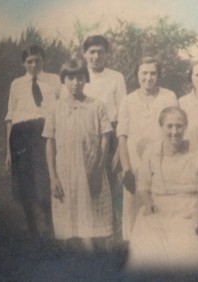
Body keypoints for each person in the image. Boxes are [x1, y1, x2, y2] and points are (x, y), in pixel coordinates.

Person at [127, 107, 198, 271]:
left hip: (188, 209)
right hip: (158, 209)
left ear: (186, 126)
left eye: (179, 126)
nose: (175, 131)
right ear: (161, 127)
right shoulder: (151, 151)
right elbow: (143, 186)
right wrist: (148, 203)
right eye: (169, 126)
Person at [43, 59, 113, 250]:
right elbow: (50, 142)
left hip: (91, 171)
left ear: (86, 79)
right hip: (65, 174)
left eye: (80, 78)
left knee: (94, 231)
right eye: (70, 78)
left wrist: (98, 170)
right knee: (69, 230)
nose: (75, 83)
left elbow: (104, 139)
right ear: (63, 80)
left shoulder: (96, 105)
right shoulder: (56, 107)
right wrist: (53, 177)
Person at [117, 57, 178, 242]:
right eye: (144, 73)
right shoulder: (127, 101)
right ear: (137, 75)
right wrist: (126, 168)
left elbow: (175, 130)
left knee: (161, 204)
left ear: (158, 75)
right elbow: (122, 136)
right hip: (135, 164)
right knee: (133, 207)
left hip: (162, 161)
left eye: (153, 73)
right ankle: (132, 248)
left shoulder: (169, 97)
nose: (148, 77)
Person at [5, 44, 60, 240]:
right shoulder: (16, 84)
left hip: (43, 132)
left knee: (44, 179)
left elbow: (60, 109)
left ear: (44, 60)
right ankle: (32, 230)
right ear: (23, 63)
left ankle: (51, 226)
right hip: (20, 135)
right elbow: (10, 117)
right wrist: (9, 151)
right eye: (29, 61)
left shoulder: (54, 80)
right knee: (24, 182)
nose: (34, 64)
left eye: (37, 60)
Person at [81, 35, 127, 238]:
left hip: (112, 132)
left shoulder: (116, 77)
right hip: (86, 133)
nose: (96, 56)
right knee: (88, 176)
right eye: (92, 52)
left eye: (100, 51)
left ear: (106, 54)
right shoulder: (79, 76)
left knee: (111, 179)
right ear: (84, 55)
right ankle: (91, 224)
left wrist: (119, 147)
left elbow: (123, 112)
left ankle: (115, 224)